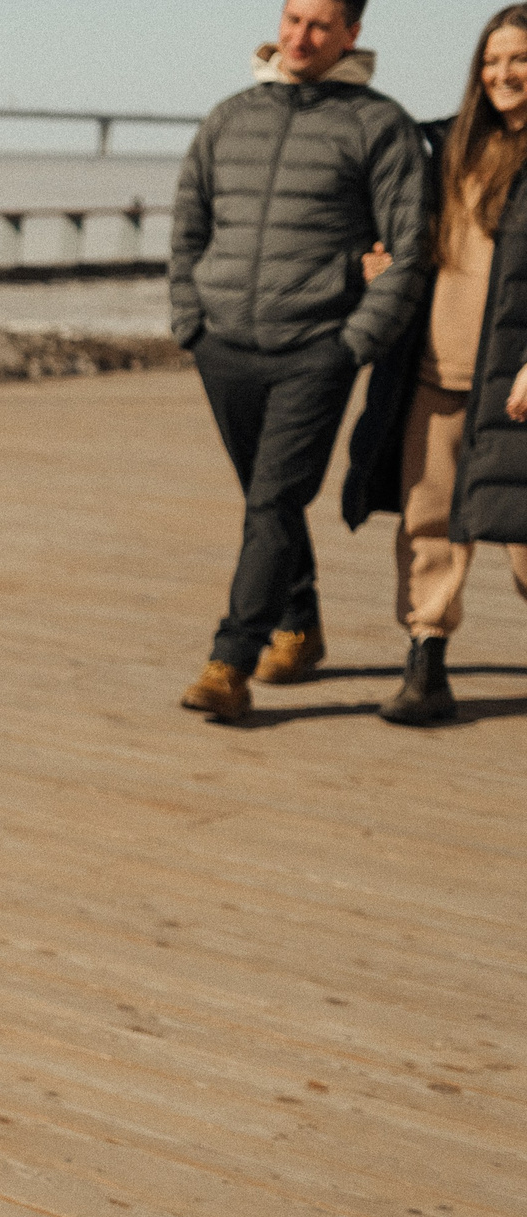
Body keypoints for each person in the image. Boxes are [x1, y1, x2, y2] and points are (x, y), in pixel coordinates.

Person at [170, 0, 431, 724]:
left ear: (352, 33)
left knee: (274, 500)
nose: (299, 36)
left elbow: (410, 245)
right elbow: (188, 221)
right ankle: (300, 623)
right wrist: (190, 321)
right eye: (291, 18)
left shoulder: (380, 125)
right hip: (223, 344)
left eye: (319, 24)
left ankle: (230, 661)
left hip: (316, 346)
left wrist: (354, 342)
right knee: (266, 495)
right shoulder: (230, 117)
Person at [345, 6, 527, 725]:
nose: (503, 74)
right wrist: (381, 262)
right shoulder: (445, 148)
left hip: (514, 381)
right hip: (435, 370)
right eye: (492, 60)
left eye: (520, 60)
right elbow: (402, 230)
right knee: (428, 522)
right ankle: (426, 663)